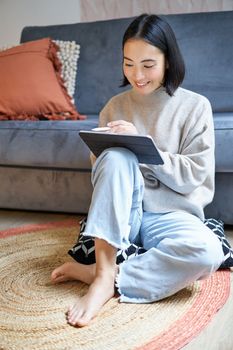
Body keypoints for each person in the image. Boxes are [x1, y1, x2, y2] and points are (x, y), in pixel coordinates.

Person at [51, 14, 224, 327]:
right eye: (128, 63)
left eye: (148, 64)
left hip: (172, 217)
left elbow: (193, 176)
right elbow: (104, 176)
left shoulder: (196, 107)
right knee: (115, 157)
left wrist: (143, 147)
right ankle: (103, 277)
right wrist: (119, 153)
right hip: (124, 217)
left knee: (208, 253)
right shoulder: (113, 107)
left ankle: (106, 274)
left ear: (168, 61)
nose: (137, 75)